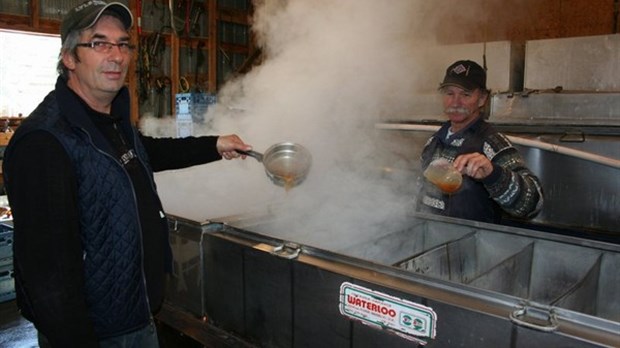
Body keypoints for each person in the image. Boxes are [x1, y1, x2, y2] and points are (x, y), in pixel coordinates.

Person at [2, 1, 252, 347]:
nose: (116, 55)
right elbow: (48, 276)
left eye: (122, 44)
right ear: (69, 58)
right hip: (97, 332)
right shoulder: (45, 141)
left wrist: (215, 144)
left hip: (136, 314)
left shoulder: (110, 119)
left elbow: (145, 153)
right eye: (99, 43)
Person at [416, 60, 543, 224]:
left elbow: (533, 205)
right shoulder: (433, 142)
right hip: (431, 237)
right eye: (449, 93)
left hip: (472, 243)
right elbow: (419, 193)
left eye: (465, 94)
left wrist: (493, 174)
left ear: (482, 99)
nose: (455, 102)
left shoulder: (493, 143)